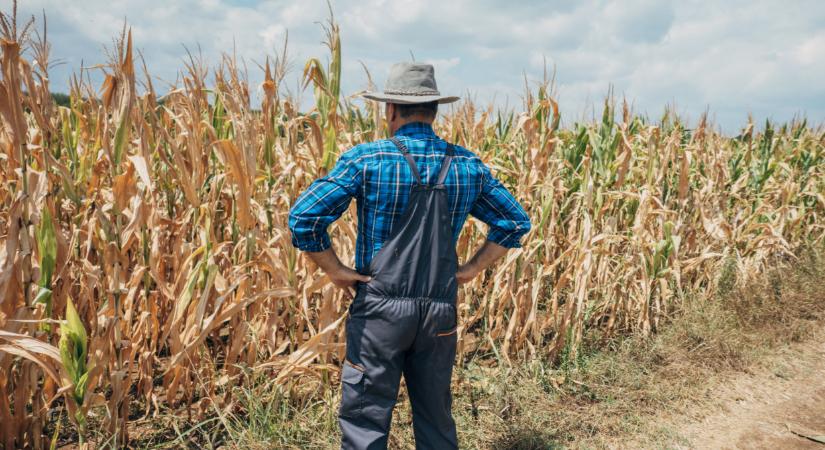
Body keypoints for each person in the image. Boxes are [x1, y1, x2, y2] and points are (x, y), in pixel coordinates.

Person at [288, 62, 531, 450]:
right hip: (439, 310)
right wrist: (469, 269)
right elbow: (515, 222)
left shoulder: (367, 160)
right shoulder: (467, 165)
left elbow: (304, 218)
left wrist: (335, 270)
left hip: (380, 309)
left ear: (390, 110)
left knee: (366, 417)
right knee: (435, 415)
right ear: (434, 111)